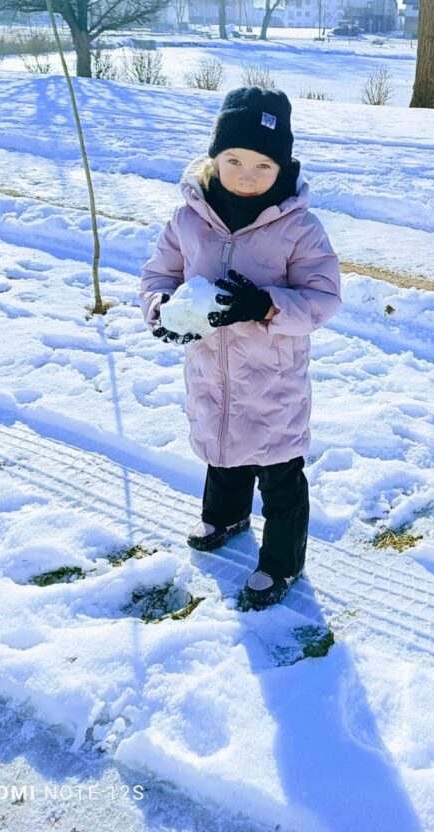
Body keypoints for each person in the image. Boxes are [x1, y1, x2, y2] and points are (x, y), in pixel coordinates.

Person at [139, 87, 342, 610]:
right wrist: (161, 309)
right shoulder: (188, 219)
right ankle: (225, 516)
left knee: (278, 471)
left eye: (262, 164)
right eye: (234, 160)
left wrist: (266, 306)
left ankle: (283, 561)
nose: (247, 175)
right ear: (215, 158)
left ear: (283, 168)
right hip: (210, 372)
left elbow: (323, 300)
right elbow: (159, 273)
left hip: (273, 378)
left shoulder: (299, 227)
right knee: (222, 448)